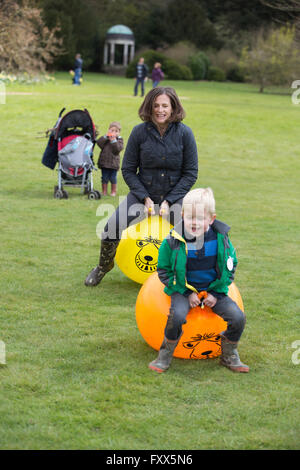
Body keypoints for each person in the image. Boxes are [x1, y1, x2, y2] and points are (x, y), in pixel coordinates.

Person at [84, 86, 198, 287]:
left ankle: (194, 278)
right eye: (156, 105)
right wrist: (145, 197)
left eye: (165, 106)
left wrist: (170, 201)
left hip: (175, 197)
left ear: (173, 108)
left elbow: (190, 173)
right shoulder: (139, 132)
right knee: (110, 228)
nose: (160, 110)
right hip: (141, 195)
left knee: (193, 234)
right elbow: (128, 169)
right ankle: (102, 267)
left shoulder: (185, 134)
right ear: (149, 107)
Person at [149, 187, 249, 374]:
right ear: (183, 215)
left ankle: (229, 355)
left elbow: (230, 265)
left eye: (200, 218)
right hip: (182, 289)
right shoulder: (172, 240)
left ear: (211, 219)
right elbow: (163, 270)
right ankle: (165, 354)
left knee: (238, 318)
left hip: (214, 290)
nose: (194, 222)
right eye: (190, 217)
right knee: (177, 316)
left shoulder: (222, 239)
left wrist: (216, 293)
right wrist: (186, 293)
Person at [96, 122, 124, 196]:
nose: (113, 133)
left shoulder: (119, 140)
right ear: (108, 130)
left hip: (113, 163)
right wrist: (105, 137)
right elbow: (99, 143)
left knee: (113, 178)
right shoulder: (105, 139)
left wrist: (113, 141)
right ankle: (104, 191)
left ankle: (113, 191)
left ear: (119, 133)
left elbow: (117, 149)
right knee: (104, 178)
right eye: (112, 130)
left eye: (116, 131)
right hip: (104, 163)